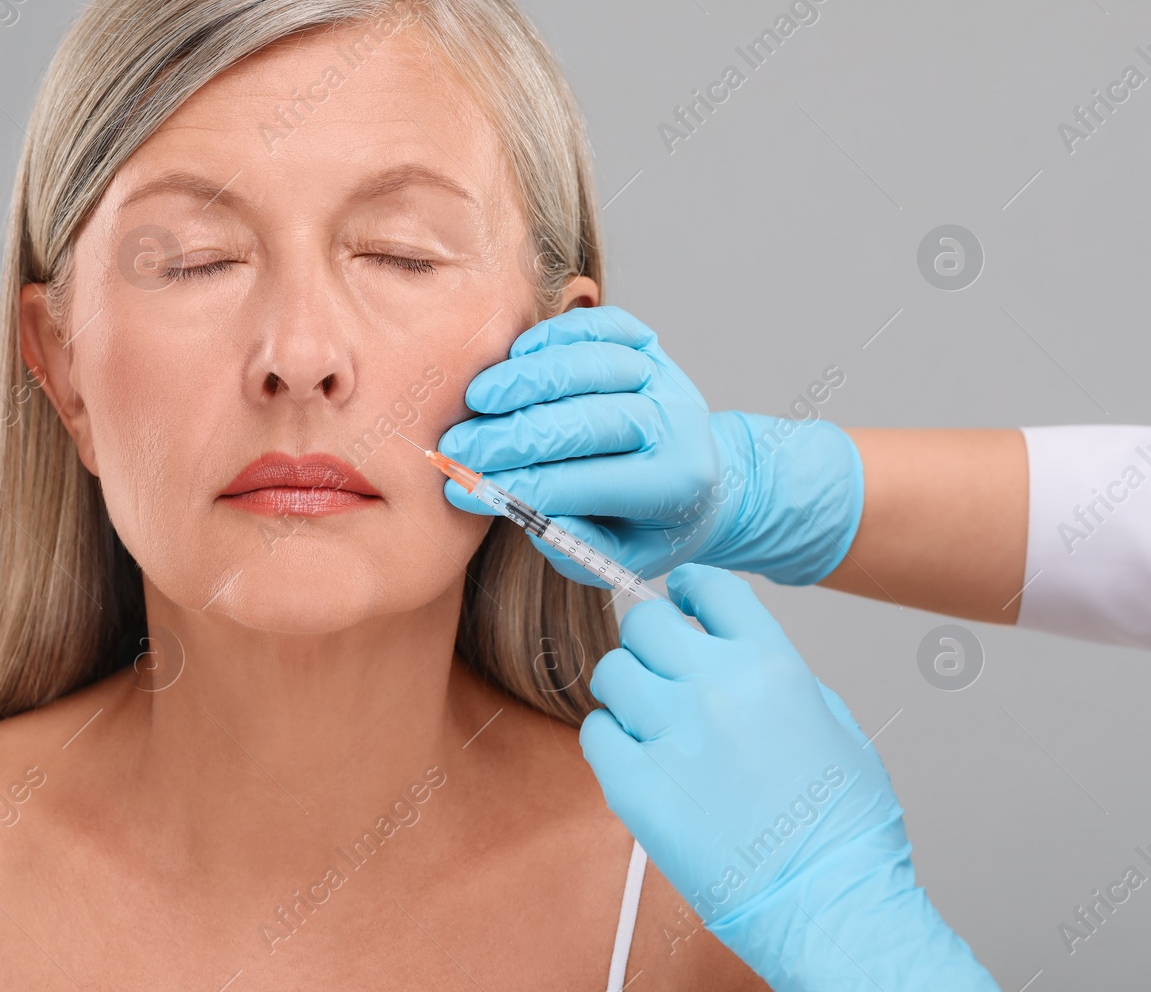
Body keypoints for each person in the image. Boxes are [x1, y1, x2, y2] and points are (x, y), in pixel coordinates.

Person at [0, 0, 782, 989]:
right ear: (59, 366)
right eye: (199, 259)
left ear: (559, 354)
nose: (298, 356)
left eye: (399, 253)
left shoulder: (715, 918)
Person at [438, 303, 1149, 988]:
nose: (321, 357)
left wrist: (838, 918)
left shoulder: (660, 907)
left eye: (397, 253)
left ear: (560, 320)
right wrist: (763, 488)